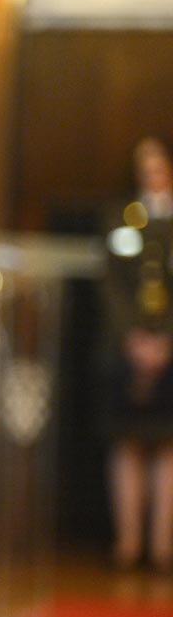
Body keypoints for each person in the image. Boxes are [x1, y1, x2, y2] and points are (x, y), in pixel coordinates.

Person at [103, 136, 173, 573]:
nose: (151, 173)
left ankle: (163, 546)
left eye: (158, 164)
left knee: (167, 442)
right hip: (126, 348)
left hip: (170, 348)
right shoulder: (123, 216)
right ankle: (127, 544)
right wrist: (134, 338)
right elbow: (111, 283)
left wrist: (166, 341)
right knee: (127, 440)